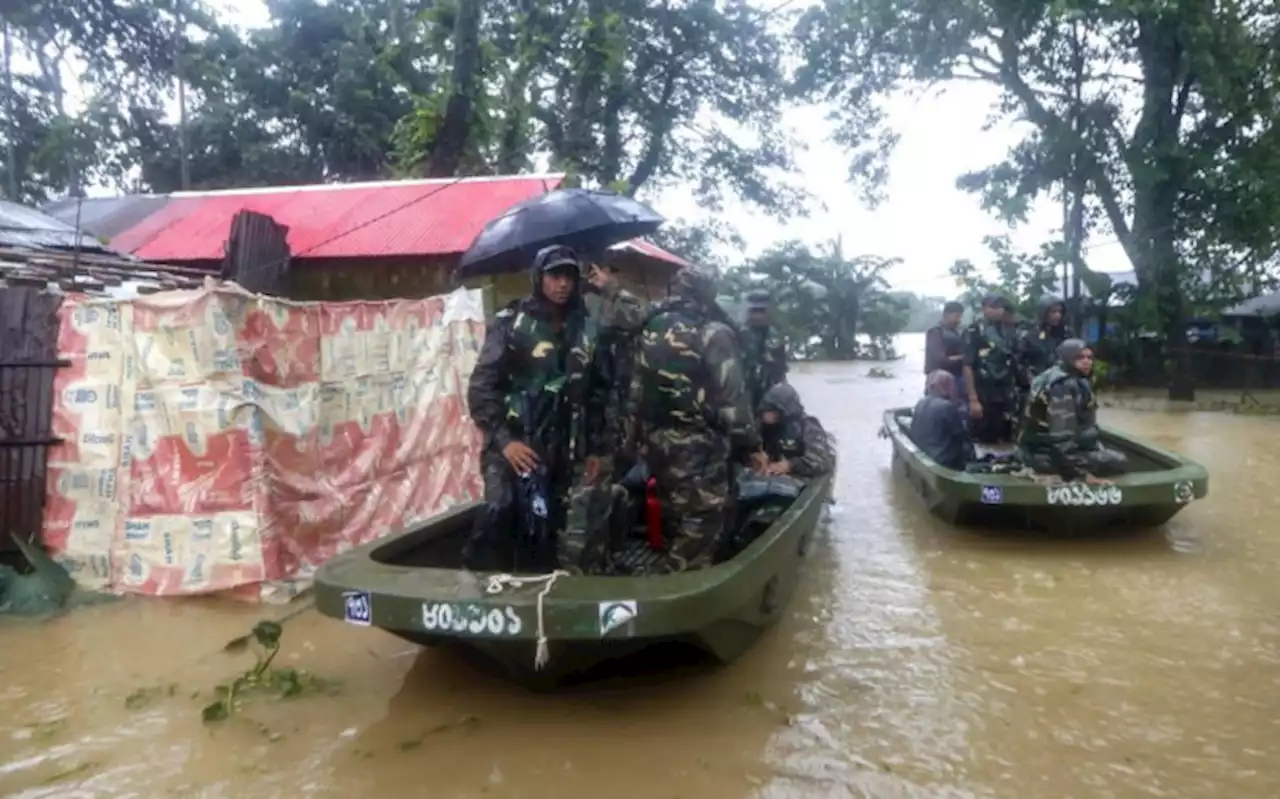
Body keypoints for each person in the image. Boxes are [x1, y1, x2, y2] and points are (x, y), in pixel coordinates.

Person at [463, 245, 609, 574]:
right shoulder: (512, 322)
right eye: (555, 275)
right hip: (515, 444)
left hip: (563, 448)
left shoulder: (584, 327)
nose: (563, 284)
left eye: (570, 276)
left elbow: (597, 391)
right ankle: (479, 588)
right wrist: (504, 441)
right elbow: (482, 387)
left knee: (548, 530)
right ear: (539, 278)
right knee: (500, 511)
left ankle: (540, 600)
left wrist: (596, 448)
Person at [627, 266, 768, 573]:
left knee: (673, 507)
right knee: (703, 516)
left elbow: (636, 388)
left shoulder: (651, 328)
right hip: (699, 443)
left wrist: (637, 436)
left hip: (656, 439)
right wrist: (752, 446)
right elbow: (734, 401)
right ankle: (680, 580)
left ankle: (675, 561)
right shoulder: (713, 332)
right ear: (706, 294)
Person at [1017, 339, 1128, 481]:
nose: (1087, 362)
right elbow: (1061, 439)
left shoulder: (1063, 377)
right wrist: (1082, 473)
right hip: (1047, 456)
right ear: (1067, 358)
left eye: (1089, 358)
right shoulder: (1062, 387)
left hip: (1043, 451)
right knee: (1119, 461)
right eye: (1080, 358)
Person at [963, 293, 1019, 443]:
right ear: (984, 309)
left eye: (1000, 307)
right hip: (983, 391)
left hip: (1006, 392)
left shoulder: (1009, 330)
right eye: (993, 307)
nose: (998, 310)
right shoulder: (974, 331)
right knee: (983, 435)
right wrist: (973, 399)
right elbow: (967, 366)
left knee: (1008, 433)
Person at [756, 382, 836, 479]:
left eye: (772, 410)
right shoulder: (765, 427)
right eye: (766, 410)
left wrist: (789, 465)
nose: (767, 415)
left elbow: (820, 461)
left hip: (802, 476)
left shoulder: (808, 426)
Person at [910, 370, 974, 470]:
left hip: (924, 453)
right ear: (948, 387)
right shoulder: (946, 407)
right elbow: (962, 437)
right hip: (942, 460)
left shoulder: (920, 402)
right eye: (953, 386)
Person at [741, 289, 788, 410]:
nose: (758, 316)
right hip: (744, 392)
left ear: (769, 311)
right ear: (748, 312)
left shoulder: (775, 336)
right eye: (754, 311)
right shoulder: (738, 334)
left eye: (762, 311)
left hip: (769, 392)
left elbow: (780, 372)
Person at [924, 300, 967, 399]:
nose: (959, 320)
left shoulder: (956, 332)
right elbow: (939, 358)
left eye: (961, 317)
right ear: (947, 314)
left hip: (957, 377)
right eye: (957, 316)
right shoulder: (935, 332)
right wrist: (963, 357)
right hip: (939, 379)